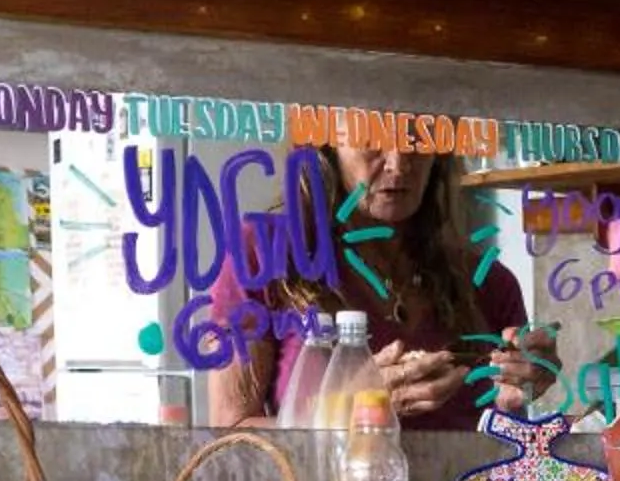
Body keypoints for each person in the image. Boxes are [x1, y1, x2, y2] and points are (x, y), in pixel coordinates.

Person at [208, 144, 551, 429]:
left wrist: (521, 385)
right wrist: (351, 411)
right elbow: (230, 434)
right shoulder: (264, 251)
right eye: (370, 137)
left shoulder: (491, 282)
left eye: (416, 137)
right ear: (326, 142)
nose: (398, 164)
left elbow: (507, 447)